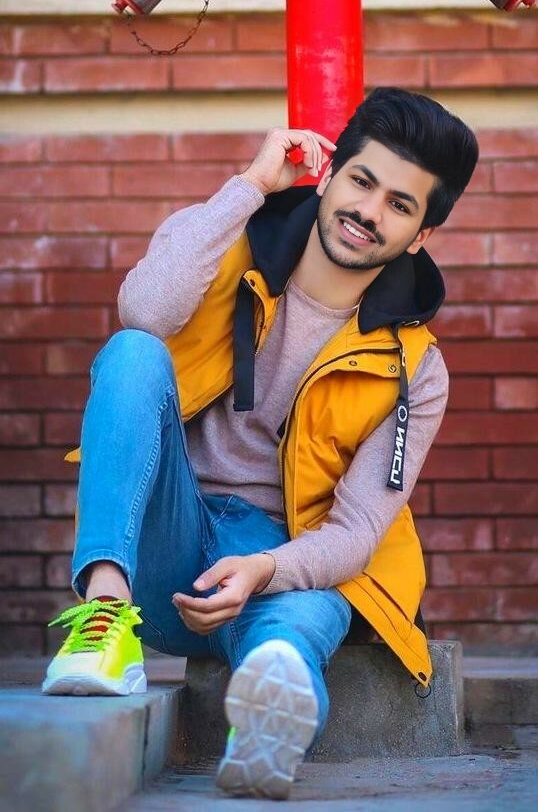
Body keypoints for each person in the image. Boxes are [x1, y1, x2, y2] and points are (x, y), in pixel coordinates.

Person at [42, 88, 478, 799]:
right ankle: (105, 616)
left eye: (399, 205)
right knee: (132, 352)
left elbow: (357, 531)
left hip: (281, 558)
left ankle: (266, 728)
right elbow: (143, 310)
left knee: (301, 625)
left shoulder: (416, 369)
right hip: (171, 530)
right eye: (362, 181)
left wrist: (266, 568)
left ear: (421, 234)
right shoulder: (225, 242)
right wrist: (250, 184)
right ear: (328, 174)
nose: (369, 211)